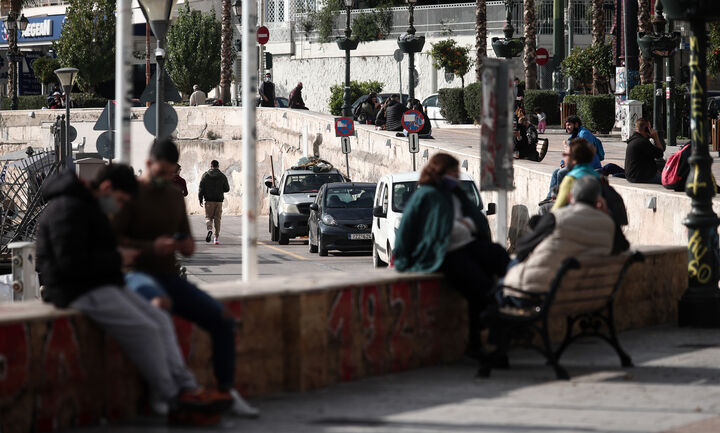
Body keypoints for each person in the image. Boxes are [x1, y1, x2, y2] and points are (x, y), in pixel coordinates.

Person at [36, 165, 231, 419]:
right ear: (106, 188)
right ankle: (173, 396)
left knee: (160, 318)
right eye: (119, 200)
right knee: (146, 329)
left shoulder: (86, 206)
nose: (118, 207)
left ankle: (187, 387)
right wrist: (117, 258)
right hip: (76, 290)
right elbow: (71, 265)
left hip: (100, 282)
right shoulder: (68, 208)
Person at [113, 139, 259, 418]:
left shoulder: (172, 196)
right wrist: (150, 248)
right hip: (135, 276)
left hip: (169, 275)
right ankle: (160, 391)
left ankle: (226, 391)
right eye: (161, 173)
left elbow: (187, 240)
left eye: (171, 173)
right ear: (148, 165)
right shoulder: (130, 196)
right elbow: (115, 241)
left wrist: (186, 246)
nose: (166, 179)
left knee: (222, 320)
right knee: (159, 308)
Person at [393, 153, 510, 357]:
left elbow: (474, 219)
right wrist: (402, 257)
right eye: (452, 172)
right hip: (445, 251)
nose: (456, 176)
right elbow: (408, 228)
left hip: (467, 244)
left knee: (498, 255)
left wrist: (467, 225)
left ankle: (512, 298)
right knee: (480, 286)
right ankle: (482, 338)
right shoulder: (427, 195)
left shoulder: (457, 193)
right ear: (439, 171)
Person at [502, 176, 617, 300]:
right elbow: (623, 246)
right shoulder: (609, 224)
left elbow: (522, 247)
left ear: (570, 197)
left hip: (538, 293)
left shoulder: (557, 217)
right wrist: (605, 212)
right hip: (585, 297)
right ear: (599, 200)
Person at [552, 138, 600, 210]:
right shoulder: (597, 176)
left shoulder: (570, 179)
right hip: (595, 216)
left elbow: (557, 209)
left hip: (573, 214)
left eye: (565, 154)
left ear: (574, 158)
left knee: (543, 209)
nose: (563, 157)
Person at [625, 118, 665, 184]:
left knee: (660, 164)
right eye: (650, 128)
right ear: (646, 129)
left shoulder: (633, 140)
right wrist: (656, 137)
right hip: (641, 177)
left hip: (632, 176)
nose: (652, 130)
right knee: (669, 181)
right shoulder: (642, 142)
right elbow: (660, 154)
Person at [199, 160, 230, 245]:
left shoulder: (205, 176)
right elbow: (227, 189)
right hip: (219, 201)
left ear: (211, 165)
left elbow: (201, 188)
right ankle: (216, 238)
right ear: (218, 166)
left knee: (208, 217)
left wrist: (200, 199)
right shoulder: (222, 176)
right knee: (217, 219)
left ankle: (209, 230)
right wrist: (220, 188)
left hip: (208, 201)